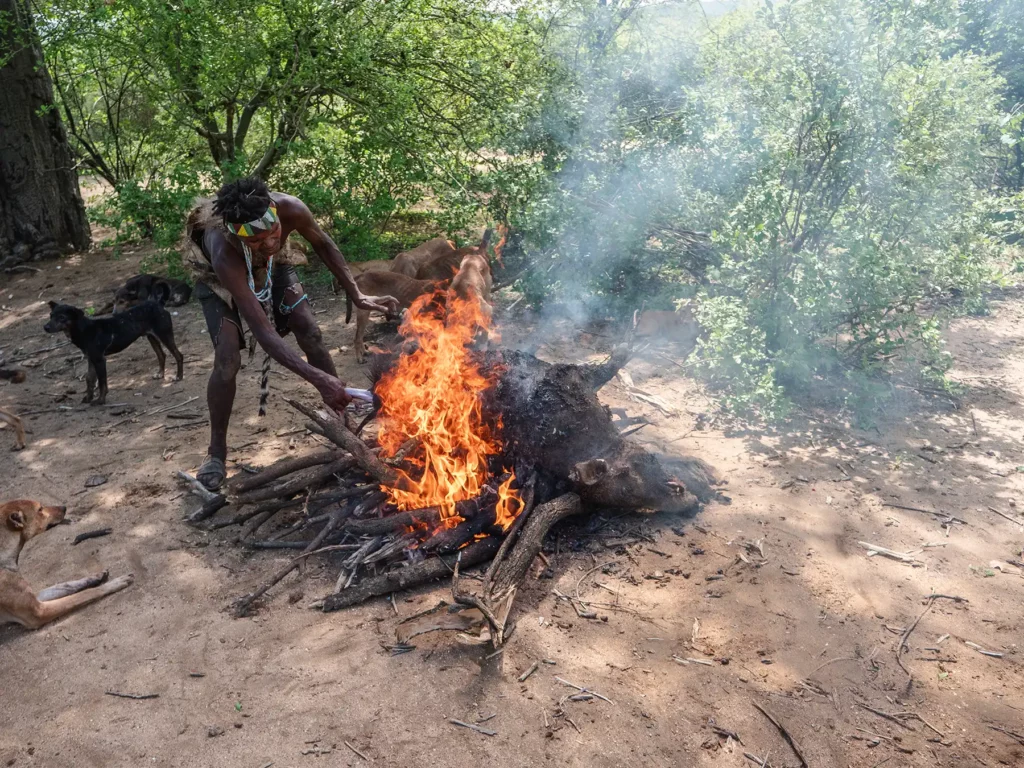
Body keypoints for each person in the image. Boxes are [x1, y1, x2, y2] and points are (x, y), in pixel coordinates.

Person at [181, 177, 397, 490]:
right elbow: (264, 332)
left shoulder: (291, 209)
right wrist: (318, 379)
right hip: (216, 277)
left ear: (274, 213)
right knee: (227, 358)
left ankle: (343, 427)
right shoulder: (222, 250)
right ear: (235, 234)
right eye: (257, 241)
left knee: (310, 330)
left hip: (273, 268)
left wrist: (357, 294)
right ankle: (216, 453)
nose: (269, 244)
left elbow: (323, 244)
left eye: (274, 234)